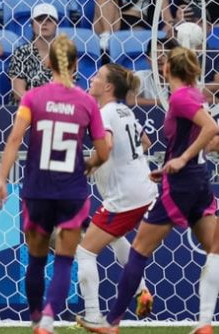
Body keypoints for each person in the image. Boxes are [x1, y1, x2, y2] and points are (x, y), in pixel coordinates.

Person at [77, 47, 219, 334]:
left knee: (118, 252)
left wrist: (85, 166)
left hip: (163, 188)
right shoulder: (192, 97)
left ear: (166, 70)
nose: (159, 65)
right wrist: (164, 164)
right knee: (214, 249)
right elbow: (148, 142)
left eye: (163, 62)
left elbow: (209, 129)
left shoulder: (177, 98)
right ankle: (204, 322)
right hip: (187, 180)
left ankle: (105, 320)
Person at [0, 34, 110, 334]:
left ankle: (35, 320)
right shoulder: (87, 103)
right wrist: (89, 165)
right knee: (64, 260)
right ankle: (47, 320)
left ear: (47, 62)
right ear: (75, 64)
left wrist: (2, 179)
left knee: (35, 260)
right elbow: (104, 151)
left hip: (37, 190)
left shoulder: (33, 98)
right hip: (72, 191)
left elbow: (15, 139)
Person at [75, 64, 158, 329]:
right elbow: (145, 143)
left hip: (125, 197)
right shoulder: (125, 111)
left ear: (108, 87)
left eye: (97, 76)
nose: (92, 78)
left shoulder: (106, 113)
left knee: (85, 251)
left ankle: (93, 315)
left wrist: (87, 167)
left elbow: (107, 147)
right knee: (114, 237)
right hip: (142, 189)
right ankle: (141, 290)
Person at [8, 3, 57, 103]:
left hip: (56, 110)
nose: (44, 23)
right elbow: (18, 92)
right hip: (26, 110)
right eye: (39, 20)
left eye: (49, 20)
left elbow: (69, 91)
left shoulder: (64, 54)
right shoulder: (21, 53)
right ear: (32, 24)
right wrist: (44, 105)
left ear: (56, 25)